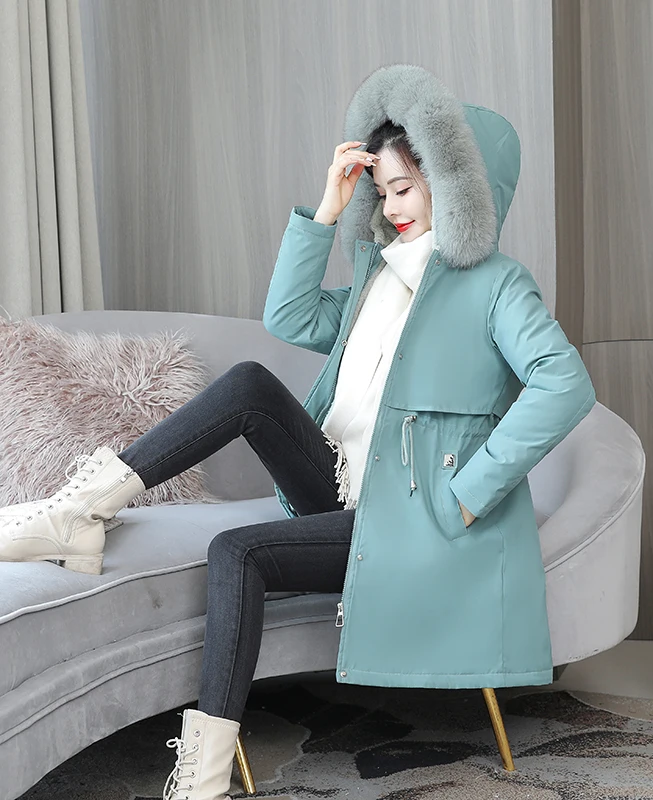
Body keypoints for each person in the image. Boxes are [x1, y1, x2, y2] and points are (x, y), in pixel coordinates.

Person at [0, 64, 596, 800]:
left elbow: (564, 383)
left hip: (412, 519)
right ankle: (79, 511)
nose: (392, 207)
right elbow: (289, 317)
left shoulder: (497, 285)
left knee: (236, 551)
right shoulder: (380, 279)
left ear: (457, 187)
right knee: (251, 384)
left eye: (407, 189)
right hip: (343, 491)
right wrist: (326, 211)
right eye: (384, 192)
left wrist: (469, 492)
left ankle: (203, 775)